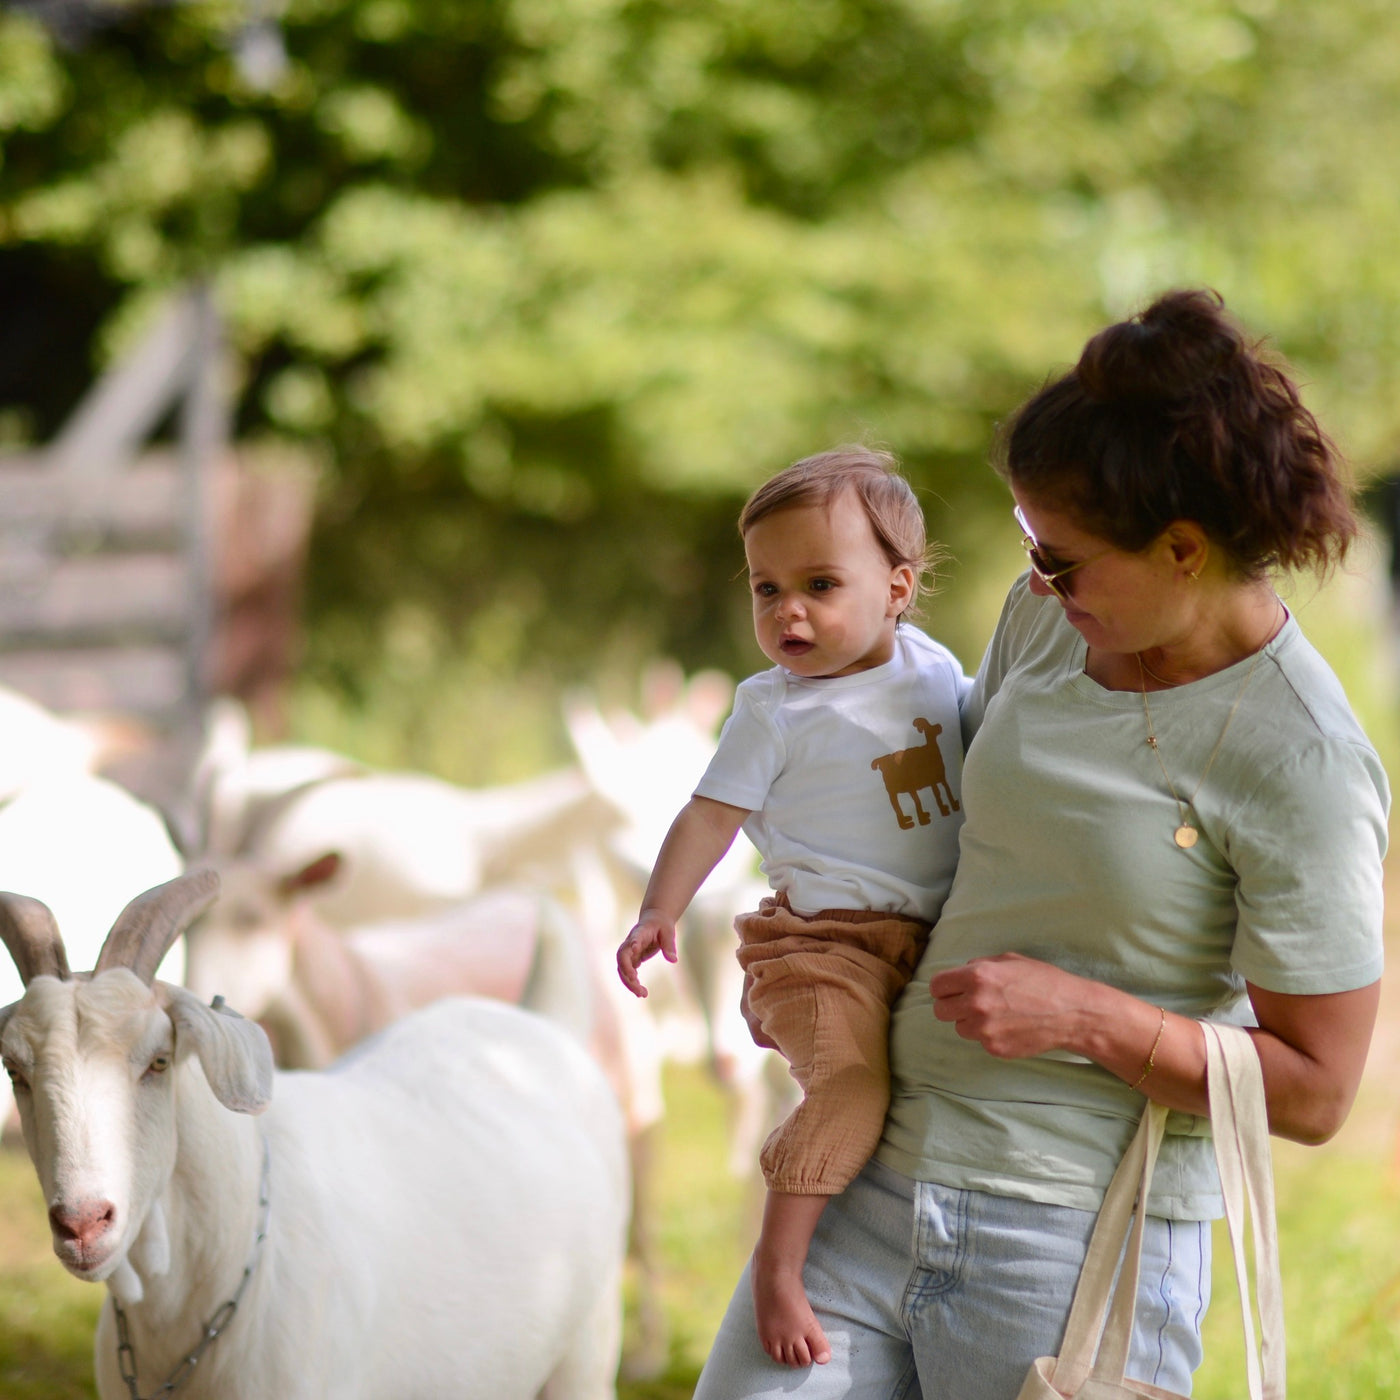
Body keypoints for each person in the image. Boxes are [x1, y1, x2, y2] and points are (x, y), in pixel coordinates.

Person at [693, 288, 1389, 1400]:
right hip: (869, 1179)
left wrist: (1082, 1016)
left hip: (1067, 1237)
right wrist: (819, 942)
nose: (1037, 584)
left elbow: (1312, 1092)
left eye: (1064, 560)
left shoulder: (1299, 758)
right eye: (1032, 550)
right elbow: (942, 825)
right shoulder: (1049, 621)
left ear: (1180, 548)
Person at [616, 446, 970, 1368]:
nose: (788, 611)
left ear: (897, 589)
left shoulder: (937, 671)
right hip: (821, 948)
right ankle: (779, 1265)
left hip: (927, 935)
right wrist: (660, 909)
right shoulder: (772, 712)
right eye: (766, 588)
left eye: (819, 582)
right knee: (850, 1085)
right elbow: (710, 816)